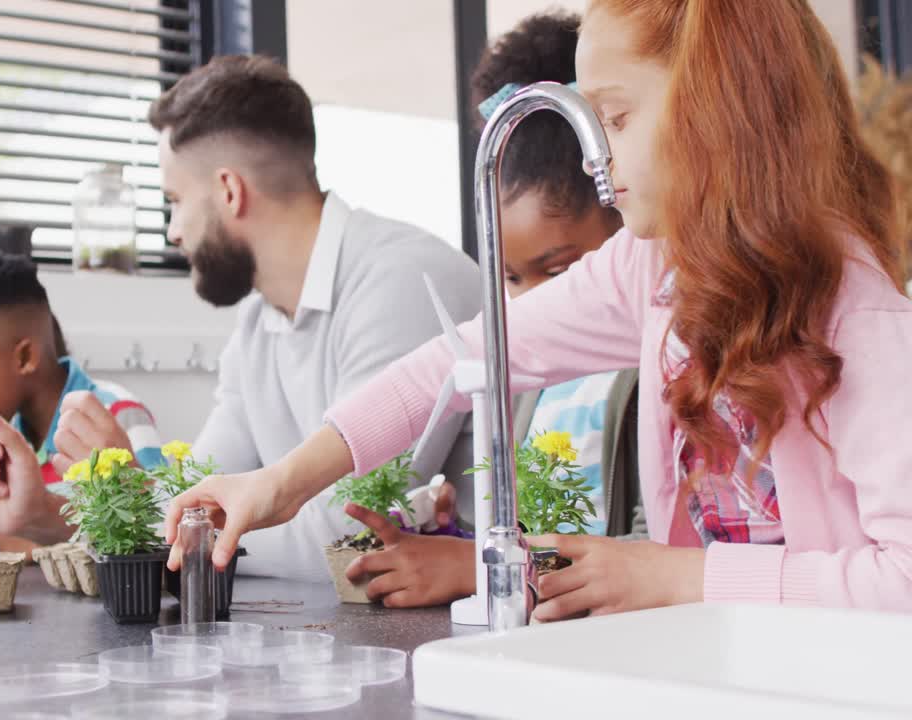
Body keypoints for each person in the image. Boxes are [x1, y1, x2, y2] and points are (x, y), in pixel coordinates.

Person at [166, 0, 912, 618]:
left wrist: (672, 575)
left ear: (721, 109)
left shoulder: (858, 313)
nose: (595, 159)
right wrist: (281, 483)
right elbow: (462, 360)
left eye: (614, 120)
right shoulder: (654, 269)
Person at [0, 55, 483, 581]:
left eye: (175, 200)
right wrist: (44, 512)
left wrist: (152, 510)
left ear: (230, 191)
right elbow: (199, 493)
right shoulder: (259, 321)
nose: (172, 232)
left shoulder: (401, 281)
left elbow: (345, 540)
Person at [338, 11, 642, 609]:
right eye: (510, 277)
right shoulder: (527, 382)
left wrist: (474, 568)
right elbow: (523, 538)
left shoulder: (653, 367)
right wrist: (456, 539)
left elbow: (654, 555)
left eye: (558, 270)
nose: (529, 303)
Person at [0, 255, 164, 556]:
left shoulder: (118, 415)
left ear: (25, 357)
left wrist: (21, 548)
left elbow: (157, 530)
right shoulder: (4, 439)